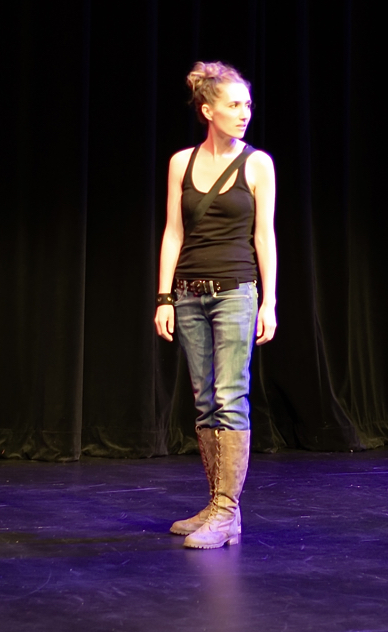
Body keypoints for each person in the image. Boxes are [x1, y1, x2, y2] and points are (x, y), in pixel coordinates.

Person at [154, 61, 277, 549]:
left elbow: (264, 236)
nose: (244, 112)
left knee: (230, 396)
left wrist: (269, 301)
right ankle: (217, 504)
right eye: (233, 104)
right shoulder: (181, 163)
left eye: (247, 104)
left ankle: (227, 512)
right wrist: (164, 296)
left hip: (235, 293)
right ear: (208, 110)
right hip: (188, 295)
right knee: (205, 399)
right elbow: (173, 233)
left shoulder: (258, 164)